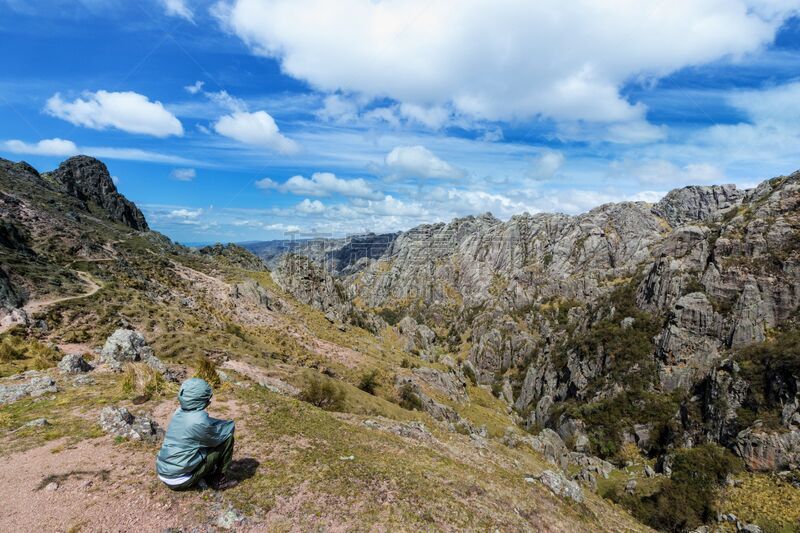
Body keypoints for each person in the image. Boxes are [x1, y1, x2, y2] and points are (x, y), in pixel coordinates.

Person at [156, 377, 238, 490]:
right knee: (227, 439)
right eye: (208, 398)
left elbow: (206, 425)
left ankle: (207, 470)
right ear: (201, 400)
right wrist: (230, 423)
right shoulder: (199, 421)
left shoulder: (179, 412)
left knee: (200, 446)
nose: (209, 400)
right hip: (179, 480)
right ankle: (219, 480)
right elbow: (218, 437)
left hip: (164, 472)